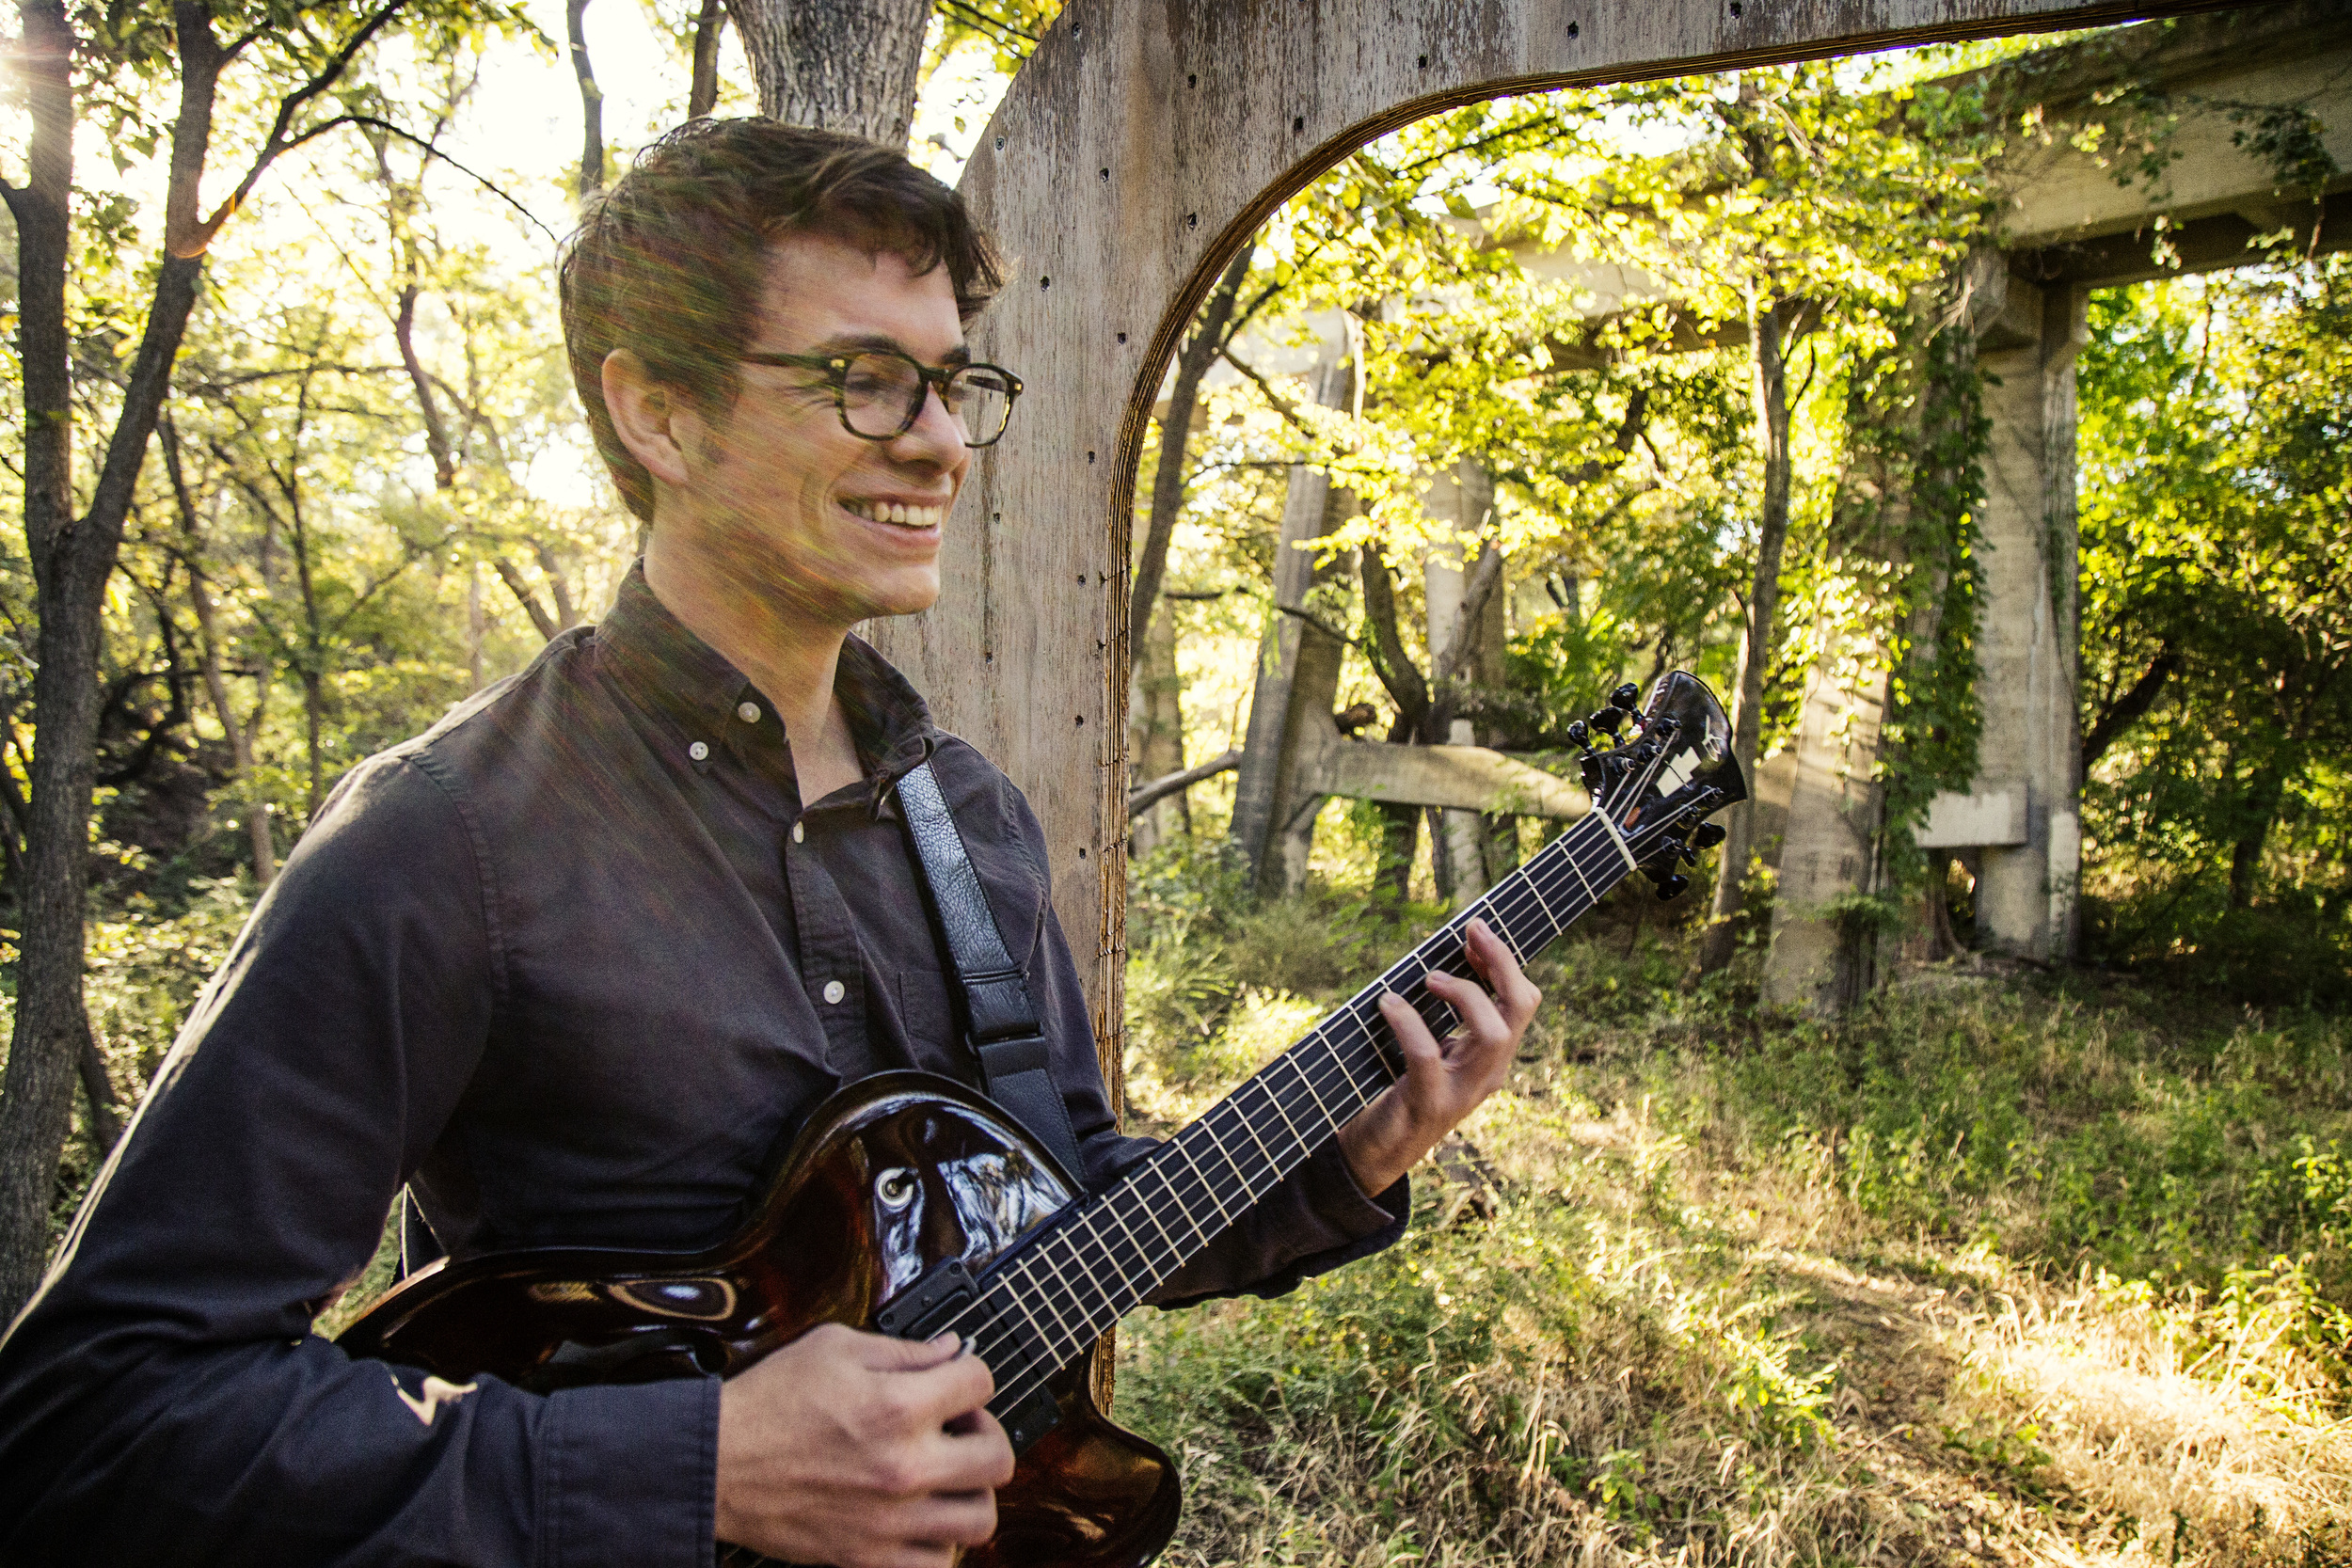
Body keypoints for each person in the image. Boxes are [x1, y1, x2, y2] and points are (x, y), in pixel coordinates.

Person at [0, 119, 1538, 1567]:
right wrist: (697, 1467)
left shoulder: (975, 821)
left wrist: (1345, 1155)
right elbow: (97, 1416)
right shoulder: (450, 837)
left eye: (952, 385)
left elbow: (1061, 1211)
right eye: (865, 381)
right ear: (658, 412)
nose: (940, 443)